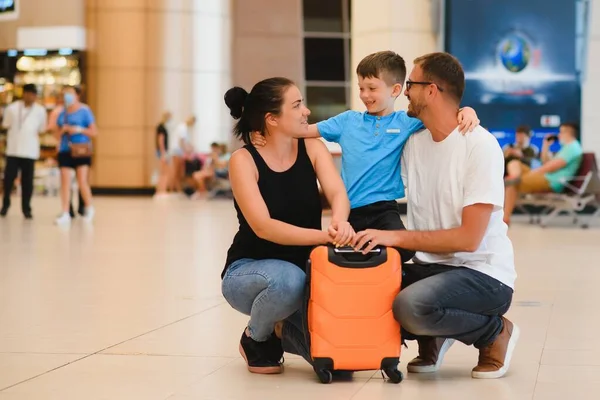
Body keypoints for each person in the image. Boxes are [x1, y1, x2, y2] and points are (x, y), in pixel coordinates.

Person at [352, 52, 519, 379]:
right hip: (432, 267)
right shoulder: (413, 142)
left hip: (483, 273)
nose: (406, 93)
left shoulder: (479, 146)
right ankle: (434, 333)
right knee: (364, 289)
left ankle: (493, 333)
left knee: (410, 306)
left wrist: (395, 236)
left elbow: (469, 240)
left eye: (411, 84)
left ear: (431, 90)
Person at [252, 51, 480, 264]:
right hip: (351, 210)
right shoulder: (347, 121)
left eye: (371, 88)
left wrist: (466, 111)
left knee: (404, 249)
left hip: (384, 210)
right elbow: (302, 131)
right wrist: (263, 131)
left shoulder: (406, 121)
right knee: (339, 255)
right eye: (361, 88)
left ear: (395, 90)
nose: (364, 95)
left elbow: (444, 114)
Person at [221, 77, 354, 374]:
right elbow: (265, 227)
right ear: (272, 119)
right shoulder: (243, 160)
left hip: (306, 273)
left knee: (340, 366)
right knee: (289, 281)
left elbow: (337, 193)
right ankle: (256, 337)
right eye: (296, 105)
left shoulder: (312, 147)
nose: (306, 111)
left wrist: (339, 222)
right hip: (249, 272)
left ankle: (282, 328)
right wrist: (324, 237)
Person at [503, 122, 583, 225]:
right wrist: (546, 145)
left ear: (568, 132)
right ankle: (514, 176)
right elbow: (545, 162)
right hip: (546, 176)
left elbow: (551, 167)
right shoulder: (567, 148)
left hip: (552, 181)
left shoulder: (572, 147)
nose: (559, 135)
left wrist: (532, 173)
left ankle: (505, 218)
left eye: (561, 132)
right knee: (514, 163)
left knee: (512, 182)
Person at [1, 83, 48, 219]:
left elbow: (42, 129)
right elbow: (6, 124)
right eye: (29, 93)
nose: (31, 97)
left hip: (30, 151)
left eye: (34, 94)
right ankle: (5, 205)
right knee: (8, 180)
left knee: (27, 182)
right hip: (13, 150)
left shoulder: (40, 111)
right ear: (24, 94)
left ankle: (26, 208)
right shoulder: (12, 108)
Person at [54, 86, 98, 225]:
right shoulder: (62, 113)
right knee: (65, 182)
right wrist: (63, 131)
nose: (67, 96)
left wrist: (78, 129)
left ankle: (89, 208)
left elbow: (94, 132)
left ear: (77, 95)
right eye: (65, 94)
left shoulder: (85, 110)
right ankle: (66, 212)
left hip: (81, 150)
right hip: (65, 150)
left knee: (82, 181)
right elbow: (56, 134)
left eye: (70, 93)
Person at [154, 111, 172, 197]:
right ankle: (162, 191)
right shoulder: (161, 127)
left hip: (162, 151)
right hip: (162, 151)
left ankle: (159, 190)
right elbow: (161, 141)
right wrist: (163, 153)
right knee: (164, 172)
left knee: (163, 172)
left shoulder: (161, 127)